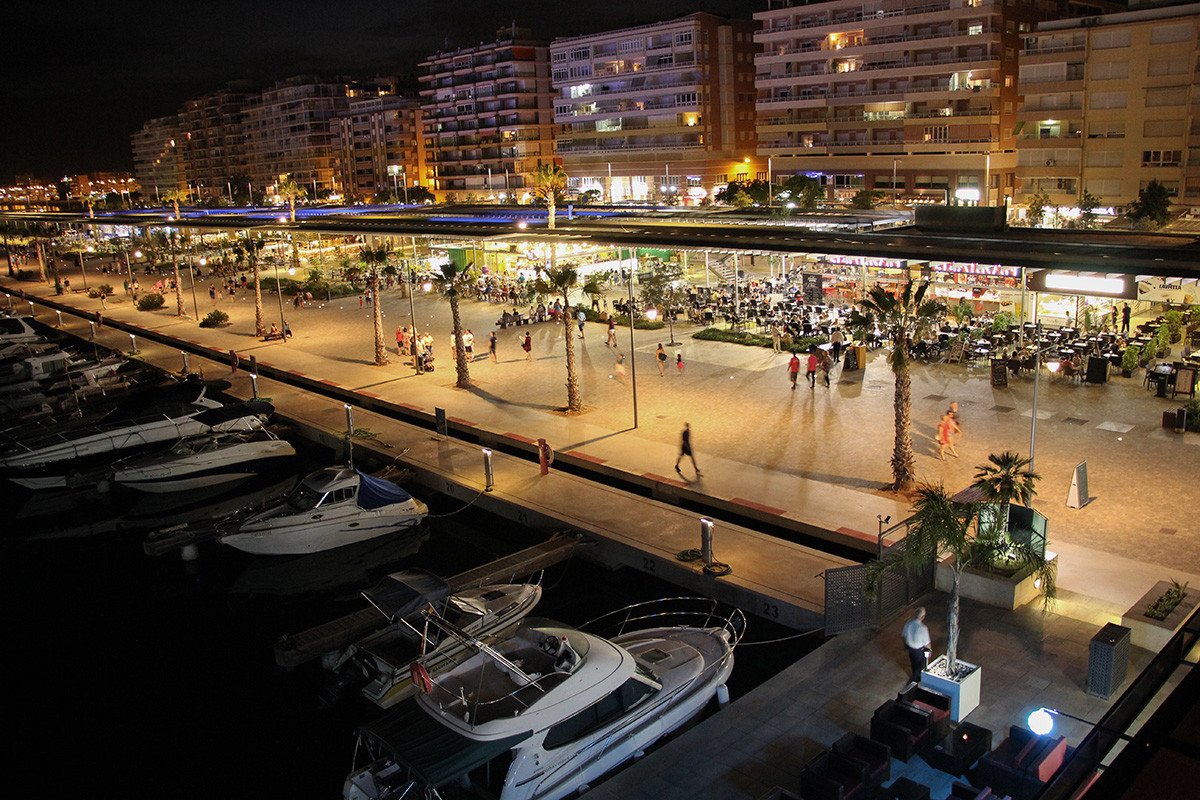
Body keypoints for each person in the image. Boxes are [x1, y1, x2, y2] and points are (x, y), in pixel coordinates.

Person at [902, 607, 932, 683]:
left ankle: (914, 676)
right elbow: (927, 643)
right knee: (919, 667)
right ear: (923, 617)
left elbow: (903, 635)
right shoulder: (923, 628)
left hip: (910, 648)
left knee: (913, 663)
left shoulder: (908, 623)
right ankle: (914, 681)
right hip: (919, 650)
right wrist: (929, 653)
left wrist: (905, 645)